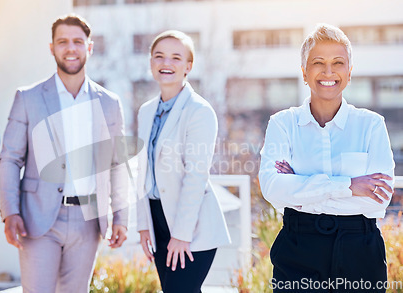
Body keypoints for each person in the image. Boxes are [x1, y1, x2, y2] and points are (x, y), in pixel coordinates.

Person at [259, 24, 395, 292]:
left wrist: (300, 188)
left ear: (350, 72)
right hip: (298, 247)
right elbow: (272, 187)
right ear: (304, 72)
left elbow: (380, 197)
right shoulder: (283, 124)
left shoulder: (371, 125)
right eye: (318, 63)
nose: (329, 72)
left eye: (338, 63)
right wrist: (348, 186)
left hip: (360, 248)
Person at [0, 14, 129, 293]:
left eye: (78, 42)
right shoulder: (28, 98)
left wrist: (121, 217)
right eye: (63, 42)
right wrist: (10, 212)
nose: (71, 48)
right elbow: (10, 159)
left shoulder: (109, 103)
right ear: (52, 48)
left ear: (89, 47)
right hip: (37, 218)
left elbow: (117, 164)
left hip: (88, 221)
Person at [135, 30, 231, 293]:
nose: (167, 63)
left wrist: (181, 234)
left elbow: (196, 177)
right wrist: (143, 225)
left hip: (192, 224)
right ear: (151, 63)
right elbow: (142, 172)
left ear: (188, 66)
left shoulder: (199, 112)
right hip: (157, 220)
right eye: (159, 56)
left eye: (176, 57)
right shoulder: (145, 112)